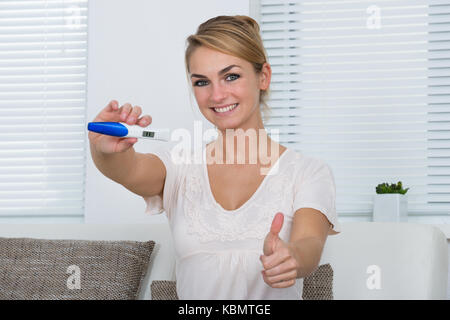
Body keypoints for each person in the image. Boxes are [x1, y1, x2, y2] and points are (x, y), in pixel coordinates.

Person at [89, 15, 341, 300]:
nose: (217, 95)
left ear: (264, 77)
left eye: (231, 76)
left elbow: (309, 242)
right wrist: (103, 149)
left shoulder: (307, 171)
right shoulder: (180, 167)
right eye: (201, 82)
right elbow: (129, 170)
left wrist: (292, 257)